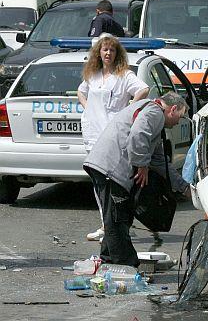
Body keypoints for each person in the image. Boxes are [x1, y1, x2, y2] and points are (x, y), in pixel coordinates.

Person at [83, 92, 190, 266]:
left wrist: (183, 187)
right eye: (180, 116)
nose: (179, 122)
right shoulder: (155, 112)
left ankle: (108, 259)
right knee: (118, 219)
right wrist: (141, 164)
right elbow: (137, 134)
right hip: (111, 169)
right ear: (173, 109)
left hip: (105, 166)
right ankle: (124, 264)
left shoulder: (152, 112)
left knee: (119, 216)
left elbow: (159, 160)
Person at [78, 34, 149, 242]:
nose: (108, 53)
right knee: (97, 182)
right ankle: (105, 224)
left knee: (114, 182)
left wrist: (128, 110)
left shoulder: (124, 75)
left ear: (117, 54)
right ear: (98, 53)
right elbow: (80, 92)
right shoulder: (93, 75)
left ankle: (118, 224)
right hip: (93, 134)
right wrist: (88, 109)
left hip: (112, 136)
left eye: (112, 50)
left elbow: (143, 89)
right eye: (104, 50)